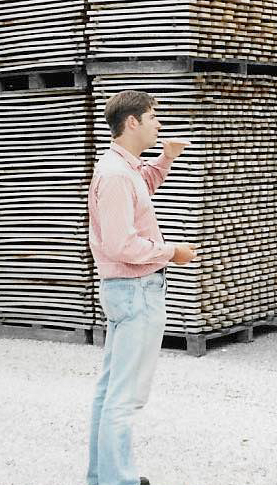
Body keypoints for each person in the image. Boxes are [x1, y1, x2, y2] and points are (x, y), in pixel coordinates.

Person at [86, 90, 198, 485]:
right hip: (136, 292)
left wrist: (166, 158)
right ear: (132, 122)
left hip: (125, 291)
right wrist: (172, 252)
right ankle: (117, 480)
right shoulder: (116, 175)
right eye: (152, 117)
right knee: (126, 394)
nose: (158, 123)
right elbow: (121, 244)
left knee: (110, 388)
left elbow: (143, 187)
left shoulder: (124, 167)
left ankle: (104, 475)